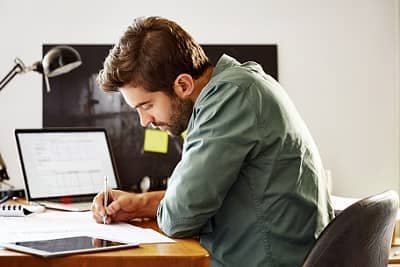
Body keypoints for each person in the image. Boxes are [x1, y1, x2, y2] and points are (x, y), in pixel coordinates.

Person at [92, 16, 334, 267]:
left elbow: (179, 218)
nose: (144, 121)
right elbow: (198, 199)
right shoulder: (242, 84)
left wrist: (158, 203)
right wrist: (139, 204)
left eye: (147, 105)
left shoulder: (229, 100)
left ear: (183, 85)